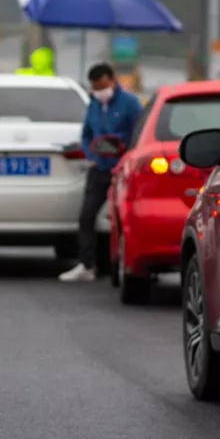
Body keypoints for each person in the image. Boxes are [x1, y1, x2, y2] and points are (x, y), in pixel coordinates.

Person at [59, 62, 142, 283]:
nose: (100, 91)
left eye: (103, 86)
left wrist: (126, 158)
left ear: (112, 80)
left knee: (120, 219)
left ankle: (120, 264)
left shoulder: (130, 103)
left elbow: (139, 133)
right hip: (99, 168)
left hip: (121, 169)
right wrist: (91, 156)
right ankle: (86, 264)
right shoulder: (94, 104)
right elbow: (86, 134)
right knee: (87, 216)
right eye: (96, 88)